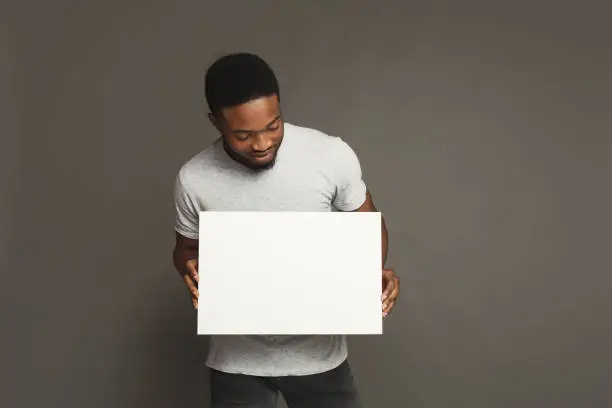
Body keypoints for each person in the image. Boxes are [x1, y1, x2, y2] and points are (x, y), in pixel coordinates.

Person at [172, 52, 400, 408]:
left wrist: (369, 273)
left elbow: (367, 222)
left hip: (320, 357)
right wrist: (191, 270)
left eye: (273, 126)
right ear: (215, 122)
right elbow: (186, 249)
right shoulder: (194, 178)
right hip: (237, 360)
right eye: (243, 135)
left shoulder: (329, 155)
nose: (262, 144)